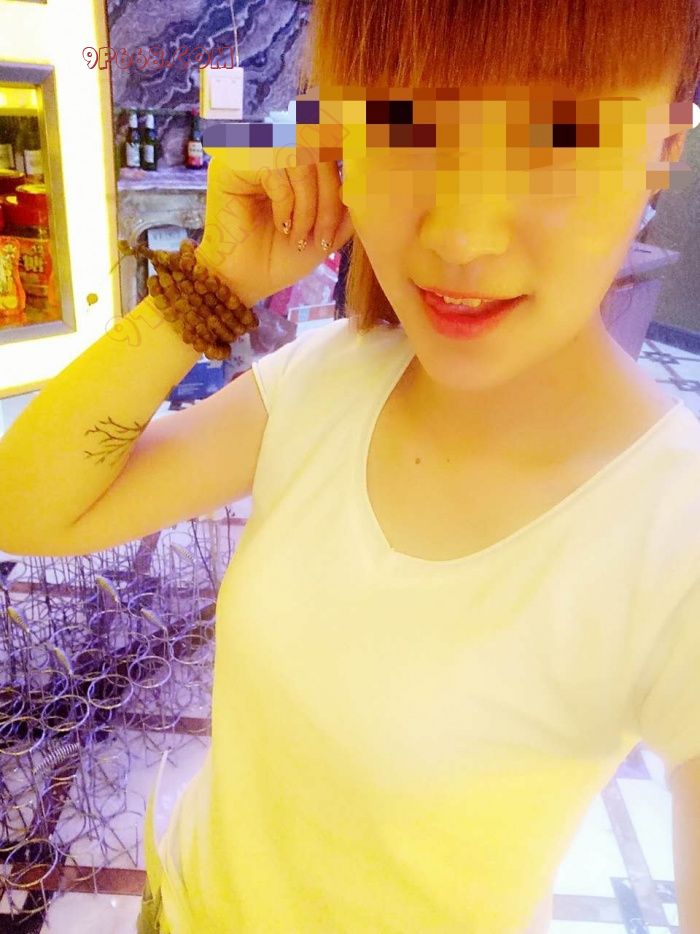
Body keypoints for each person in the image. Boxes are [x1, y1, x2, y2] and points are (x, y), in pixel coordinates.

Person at [1, 1, 699, 931]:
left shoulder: (674, 535)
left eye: (557, 139)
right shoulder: (327, 380)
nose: (461, 235)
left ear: (666, 143)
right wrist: (214, 280)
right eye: (404, 129)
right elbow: (29, 506)